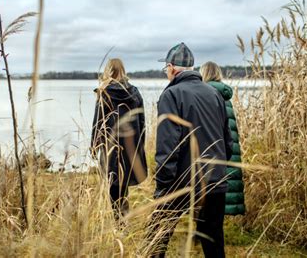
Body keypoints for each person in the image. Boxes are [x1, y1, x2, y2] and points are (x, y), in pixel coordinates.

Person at [146, 43, 233, 257]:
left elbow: (168, 144)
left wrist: (164, 185)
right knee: (213, 242)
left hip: (182, 182)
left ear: (171, 67)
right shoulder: (215, 94)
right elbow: (227, 142)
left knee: (156, 239)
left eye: (166, 69)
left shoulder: (171, 95)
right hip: (215, 181)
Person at [91, 58, 148, 219]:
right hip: (130, 145)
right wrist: (140, 144)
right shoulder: (134, 92)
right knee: (123, 183)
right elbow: (142, 121)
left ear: (108, 71)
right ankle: (122, 217)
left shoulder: (105, 92)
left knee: (112, 182)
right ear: (123, 71)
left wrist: (94, 146)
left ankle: (118, 221)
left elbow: (98, 122)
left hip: (110, 146)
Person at [200, 61, 246, 216]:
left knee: (211, 194)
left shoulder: (205, 96)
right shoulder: (226, 98)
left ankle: (207, 227)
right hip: (228, 150)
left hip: (213, 153)